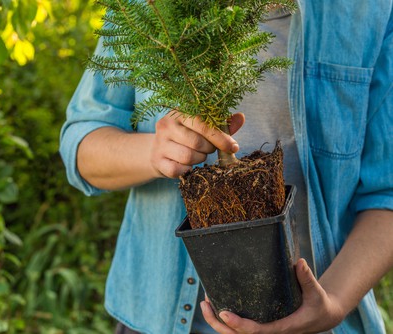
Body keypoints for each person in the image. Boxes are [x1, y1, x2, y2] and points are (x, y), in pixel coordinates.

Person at [60, 1, 393, 333]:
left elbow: (386, 194)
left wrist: (331, 303)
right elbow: (82, 145)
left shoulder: (370, 12)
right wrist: (153, 153)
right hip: (157, 319)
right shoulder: (147, 8)